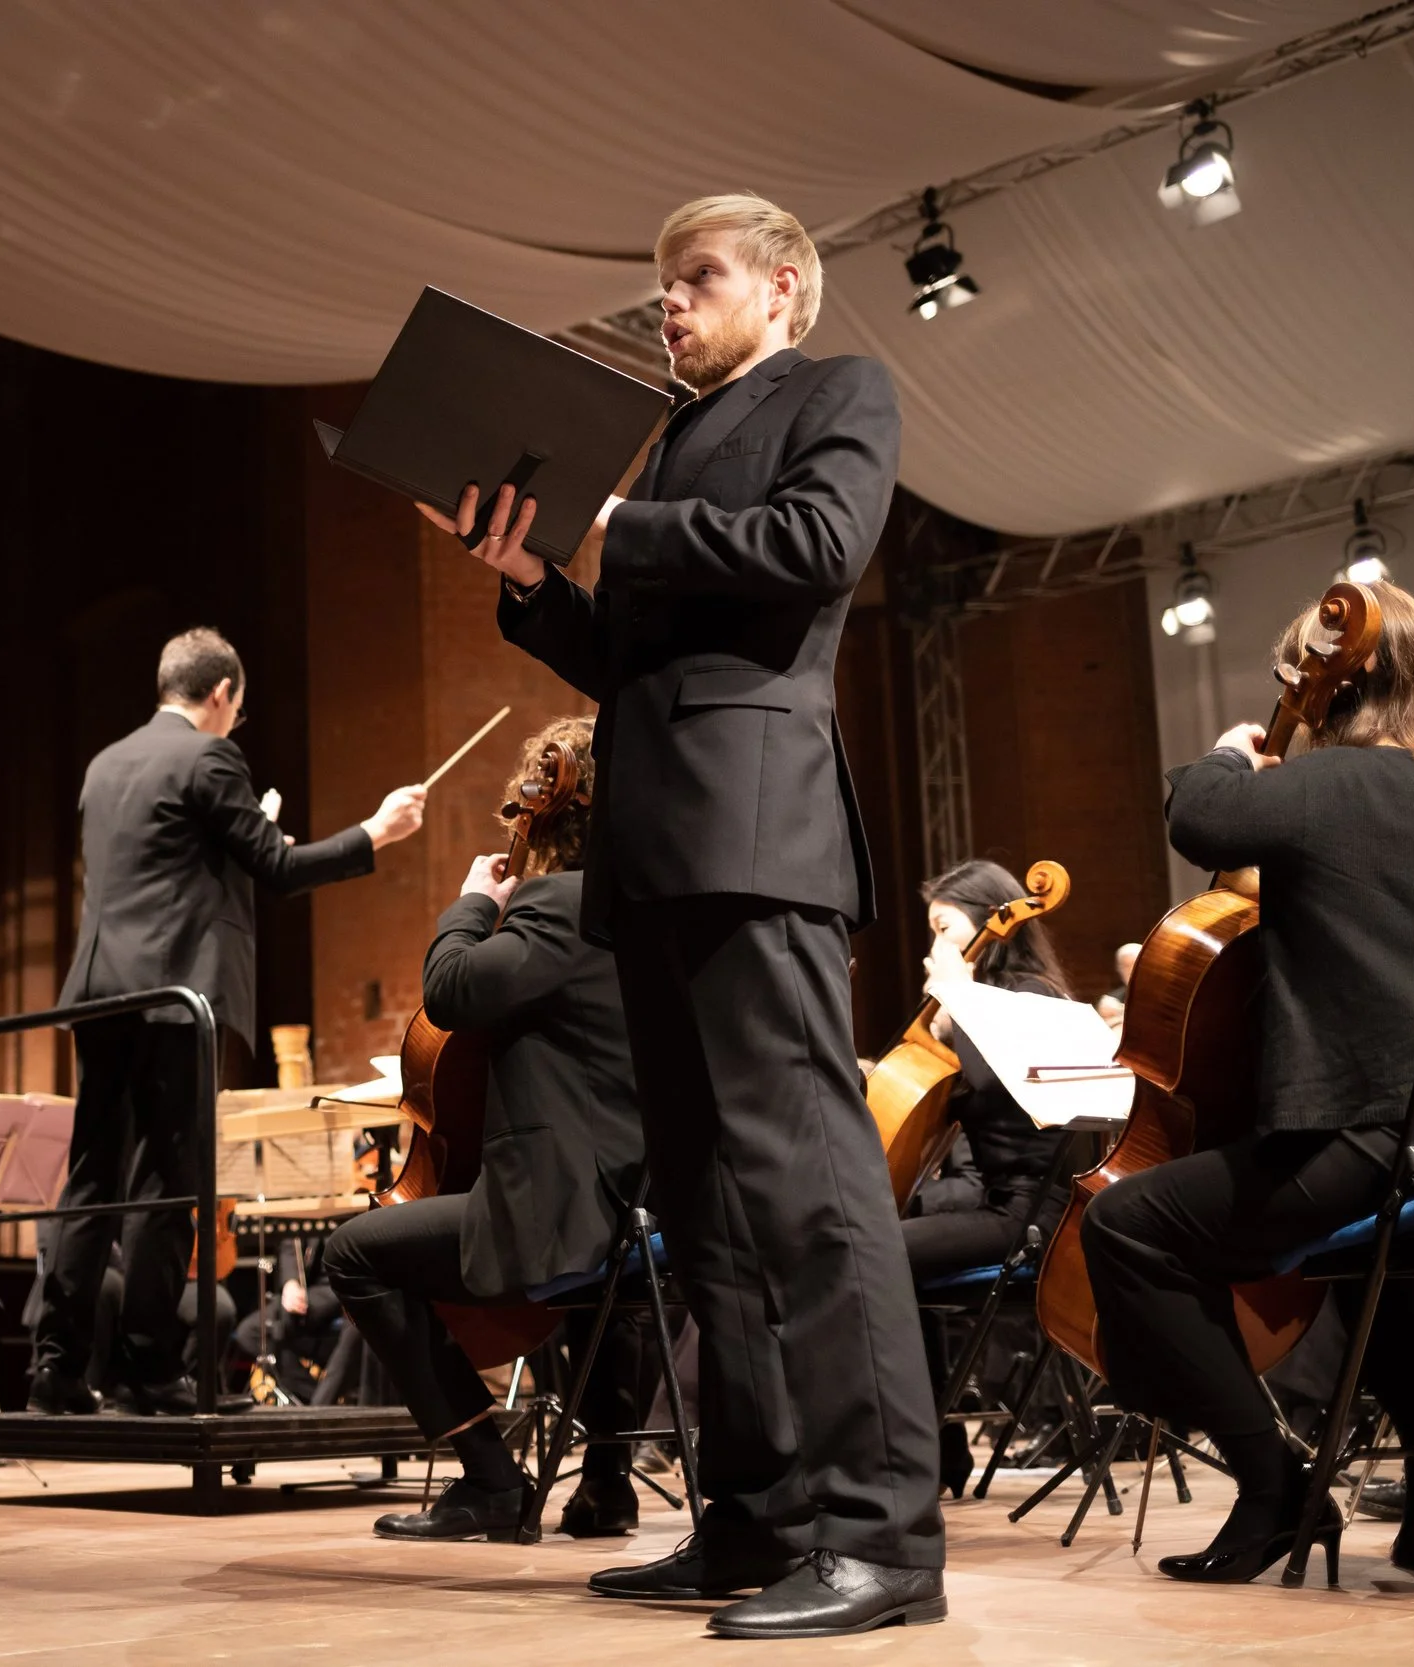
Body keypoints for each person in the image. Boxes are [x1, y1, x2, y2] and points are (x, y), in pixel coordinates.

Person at [426, 192, 943, 1637]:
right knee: (707, 1200)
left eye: (695, 279)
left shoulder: (838, 390)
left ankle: (883, 1532)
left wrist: (612, 520)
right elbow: (631, 665)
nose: (668, 303)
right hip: (652, 847)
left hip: (757, 830)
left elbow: (817, 544)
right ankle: (752, 1515)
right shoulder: (669, 442)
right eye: (660, 285)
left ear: (782, 291)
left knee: (813, 1187)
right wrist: (533, 573)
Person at [1079, 581, 1414, 1586]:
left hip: (1389, 1130)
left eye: (1302, 680)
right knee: (1358, 1258)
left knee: (1125, 1228)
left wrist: (1234, 745)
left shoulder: (1339, 784)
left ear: (1342, 682)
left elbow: (1203, 813)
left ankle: (1270, 1479)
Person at [31, 627, 426, 1416]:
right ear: (221, 695)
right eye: (237, 712)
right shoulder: (210, 757)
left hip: (99, 991)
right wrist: (374, 833)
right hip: (175, 997)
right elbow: (275, 871)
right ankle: (148, 1371)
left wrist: (245, 838)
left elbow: (160, 867)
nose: (234, 724)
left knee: (91, 1179)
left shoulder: (106, 763)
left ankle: (56, 1370)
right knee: (169, 1184)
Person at [321, 718, 654, 1544]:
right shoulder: (654, 909)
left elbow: (454, 991)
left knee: (352, 1253)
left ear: (543, 808)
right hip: (647, 1206)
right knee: (605, 1291)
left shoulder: (557, 905)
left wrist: (475, 902)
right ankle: (606, 1486)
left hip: (560, 1212)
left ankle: (490, 1478)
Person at [899, 860, 1077, 1495]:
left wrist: (957, 997)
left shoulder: (1029, 998)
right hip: (1007, 1208)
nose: (932, 952)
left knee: (861, 1253)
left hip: (1032, 1217)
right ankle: (933, 1447)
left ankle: (904, 1452)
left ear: (989, 927)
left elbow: (993, 1080)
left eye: (944, 930)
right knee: (881, 1246)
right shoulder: (993, 1005)